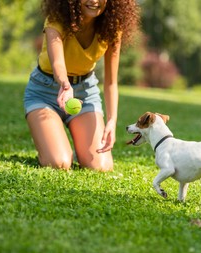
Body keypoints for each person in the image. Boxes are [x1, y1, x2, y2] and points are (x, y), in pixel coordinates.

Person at [24, 0, 140, 171]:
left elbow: (111, 82)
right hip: (44, 92)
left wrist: (112, 121)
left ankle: (80, 151)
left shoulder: (112, 27)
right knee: (59, 163)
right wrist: (65, 85)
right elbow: (58, 64)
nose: (94, 1)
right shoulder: (56, 19)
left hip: (85, 94)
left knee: (101, 167)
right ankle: (51, 148)